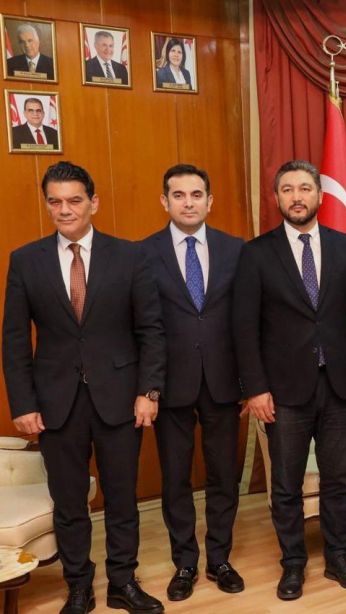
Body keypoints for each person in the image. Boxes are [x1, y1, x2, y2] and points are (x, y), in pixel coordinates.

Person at [2, 162, 166, 614]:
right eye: (55, 201)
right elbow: (14, 340)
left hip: (121, 399)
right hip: (55, 403)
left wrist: (149, 392)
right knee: (69, 503)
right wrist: (23, 404)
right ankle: (79, 586)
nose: (64, 210)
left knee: (122, 499)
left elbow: (151, 330)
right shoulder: (26, 260)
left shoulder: (130, 256)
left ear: (93, 202)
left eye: (74, 200)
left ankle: (123, 582)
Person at [232, 159, 346, 600]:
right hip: (283, 390)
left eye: (304, 188)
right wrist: (255, 388)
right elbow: (244, 327)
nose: (297, 197)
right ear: (277, 198)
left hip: (339, 384)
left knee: (338, 477)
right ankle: (292, 563)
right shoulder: (256, 253)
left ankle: (339, 556)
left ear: (319, 195)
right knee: (286, 483)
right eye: (287, 189)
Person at [140, 165, 245, 601]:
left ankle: (220, 558)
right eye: (179, 195)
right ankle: (185, 562)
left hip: (224, 382)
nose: (188, 202)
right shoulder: (143, 254)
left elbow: (247, 321)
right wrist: (148, 388)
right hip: (171, 385)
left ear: (209, 201)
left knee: (224, 476)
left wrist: (250, 382)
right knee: (176, 479)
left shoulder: (236, 250)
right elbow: (142, 326)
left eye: (196, 194)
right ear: (164, 201)